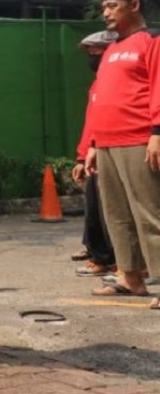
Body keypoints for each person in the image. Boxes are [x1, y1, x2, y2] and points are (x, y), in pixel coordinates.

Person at [82, 0, 160, 308]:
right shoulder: (111, 50)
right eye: (104, 7)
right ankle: (130, 276)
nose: (106, 13)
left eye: (112, 6)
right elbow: (100, 98)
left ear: (134, 5)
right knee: (116, 215)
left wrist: (157, 131)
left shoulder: (151, 40)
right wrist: (92, 144)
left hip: (138, 138)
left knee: (150, 213)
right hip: (107, 142)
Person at [71, 30, 117, 277]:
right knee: (95, 208)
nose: (92, 56)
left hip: (114, 149)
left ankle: (126, 263)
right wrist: (82, 156)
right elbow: (92, 122)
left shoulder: (119, 81)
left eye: (96, 51)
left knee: (115, 210)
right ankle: (101, 256)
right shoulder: (97, 84)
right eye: (90, 52)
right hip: (95, 152)